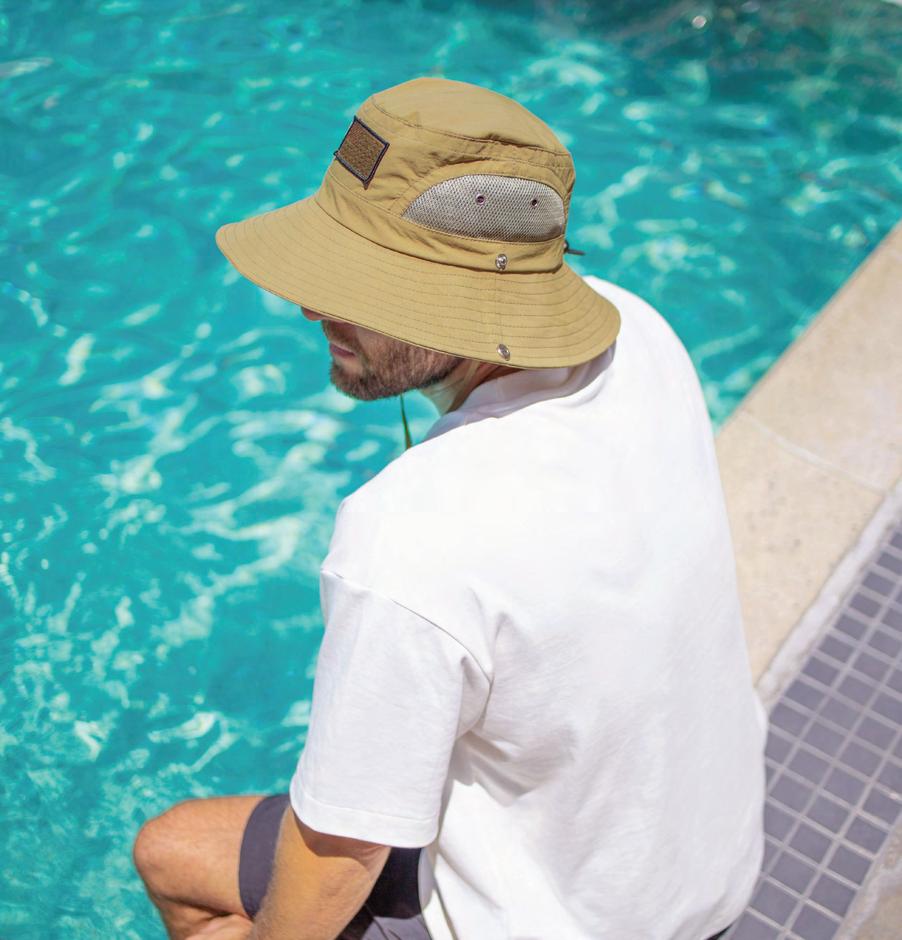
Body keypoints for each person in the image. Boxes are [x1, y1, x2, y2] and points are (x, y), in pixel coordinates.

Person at [132, 76, 767, 940]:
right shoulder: (638, 330)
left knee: (172, 857)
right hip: (702, 869)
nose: (310, 303)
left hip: (565, 922)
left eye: (359, 279)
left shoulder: (411, 537)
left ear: (463, 303)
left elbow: (339, 853)